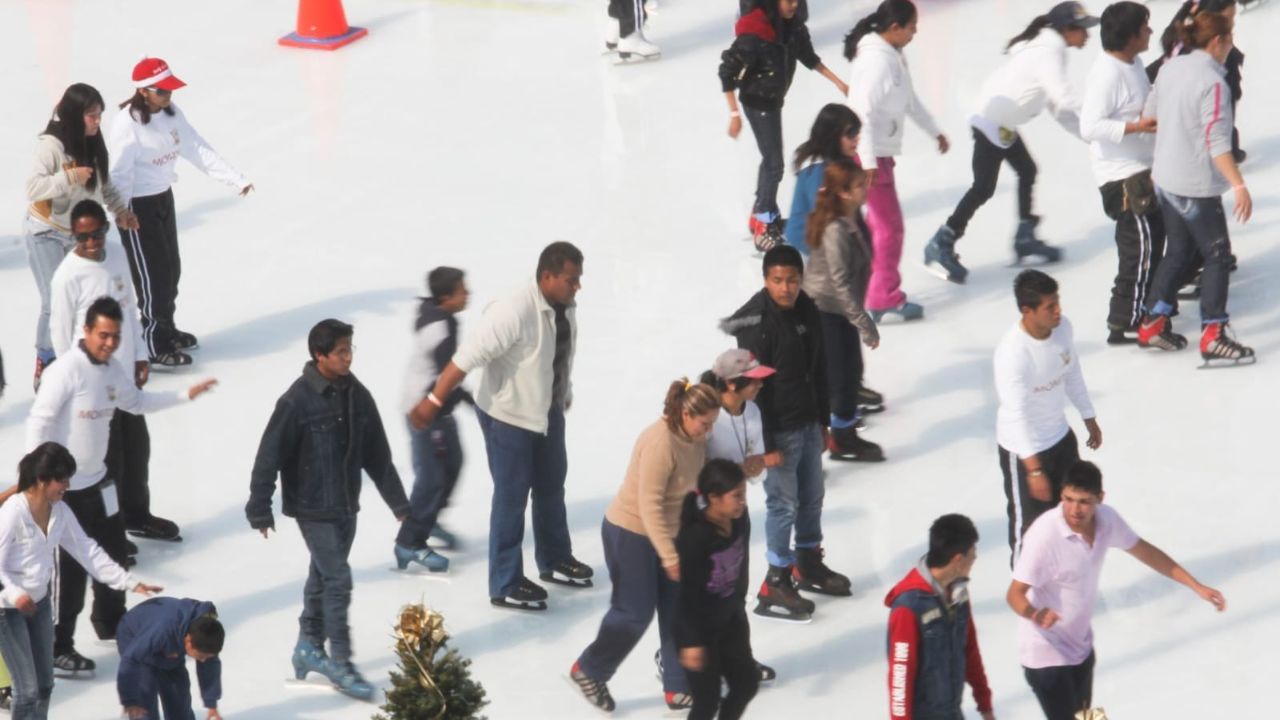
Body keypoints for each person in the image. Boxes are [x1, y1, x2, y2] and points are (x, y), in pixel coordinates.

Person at [25, 296, 214, 678]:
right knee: (70, 574)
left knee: (113, 556)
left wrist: (183, 395)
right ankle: (58, 646)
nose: (110, 343)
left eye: (115, 336)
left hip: (101, 484)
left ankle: (111, 623)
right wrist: (37, 480)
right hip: (66, 492)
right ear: (87, 331)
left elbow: (136, 402)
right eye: (103, 336)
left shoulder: (111, 370)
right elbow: (39, 424)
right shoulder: (65, 372)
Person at [411, 242, 593, 611]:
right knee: (512, 496)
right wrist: (432, 401)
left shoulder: (565, 307)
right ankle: (505, 581)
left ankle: (555, 559)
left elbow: (560, 356)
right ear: (547, 276)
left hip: (545, 410)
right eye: (571, 280)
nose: (577, 287)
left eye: (578, 280)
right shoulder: (512, 311)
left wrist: (564, 392)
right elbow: (465, 359)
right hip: (506, 416)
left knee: (551, 486)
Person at [246, 318, 409, 701]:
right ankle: (341, 662)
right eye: (341, 352)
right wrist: (259, 507)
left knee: (322, 576)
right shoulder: (296, 401)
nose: (348, 357)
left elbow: (378, 455)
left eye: (350, 349)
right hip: (312, 507)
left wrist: (400, 505)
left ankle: (308, 646)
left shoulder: (357, 394)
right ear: (319, 356)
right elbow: (269, 455)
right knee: (338, 580)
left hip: (346, 505)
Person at [1007, 461, 1226, 719]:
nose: (1075, 509)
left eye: (1084, 501)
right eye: (1069, 499)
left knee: (1085, 717)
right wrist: (1035, 614)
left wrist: (1196, 586)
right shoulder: (1044, 535)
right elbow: (1014, 594)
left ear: (1100, 498)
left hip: (1080, 649)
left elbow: (1145, 551)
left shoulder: (1107, 520)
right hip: (1045, 655)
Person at [570, 381, 721, 712]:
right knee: (634, 611)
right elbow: (649, 505)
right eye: (705, 423)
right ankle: (589, 669)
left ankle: (679, 686)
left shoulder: (694, 439)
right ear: (685, 413)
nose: (708, 431)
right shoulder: (660, 443)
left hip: (669, 532)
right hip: (631, 532)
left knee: (678, 608)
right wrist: (669, 555)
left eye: (712, 424)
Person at [923, 2, 1098, 283]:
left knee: (1027, 170)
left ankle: (1025, 235)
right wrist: (1102, 123)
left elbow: (1059, 109)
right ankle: (941, 241)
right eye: (1083, 29)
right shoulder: (1048, 51)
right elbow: (1065, 98)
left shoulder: (1047, 47)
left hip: (1000, 120)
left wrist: (1091, 137)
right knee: (983, 188)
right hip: (990, 120)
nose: (1087, 35)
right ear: (1067, 29)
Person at [722, 245, 849, 622]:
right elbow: (752, 391)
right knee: (783, 504)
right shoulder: (757, 324)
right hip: (779, 430)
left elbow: (820, 367)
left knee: (812, 496)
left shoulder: (807, 308)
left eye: (792, 279)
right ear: (765, 280)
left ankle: (808, 562)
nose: (786, 287)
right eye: (777, 280)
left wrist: (824, 421)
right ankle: (776, 579)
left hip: (808, 422)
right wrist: (768, 444)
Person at [108, 57, 253, 369]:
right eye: (163, 91)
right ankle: (152, 343)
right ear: (145, 91)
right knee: (153, 278)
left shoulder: (171, 114)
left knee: (171, 271)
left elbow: (196, 147)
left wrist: (234, 178)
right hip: (136, 206)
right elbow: (118, 173)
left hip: (162, 198)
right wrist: (121, 211)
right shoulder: (127, 123)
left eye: (171, 90)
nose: (169, 97)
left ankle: (167, 329)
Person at [48, 199, 176, 550]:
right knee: (107, 466)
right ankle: (110, 533)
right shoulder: (67, 278)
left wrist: (140, 355)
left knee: (137, 452)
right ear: (73, 236)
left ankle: (137, 515)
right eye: (83, 236)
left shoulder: (117, 254)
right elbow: (61, 338)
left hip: (124, 381)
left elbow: (129, 309)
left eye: (97, 233)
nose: (91, 242)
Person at [0, 443, 160, 720]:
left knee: (44, 685)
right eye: (62, 480)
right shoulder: (13, 512)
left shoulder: (59, 511)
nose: (67, 485)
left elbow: (87, 550)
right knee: (26, 691)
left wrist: (129, 582)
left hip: (38, 604)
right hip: (7, 609)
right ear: (41, 479)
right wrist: (15, 594)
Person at [1136, 11, 1254, 365]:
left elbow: (1149, 115)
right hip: (1194, 185)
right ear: (1217, 42)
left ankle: (1151, 322)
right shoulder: (1214, 84)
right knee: (1216, 254)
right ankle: (1213, 334)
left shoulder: (1171, 67)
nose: (1230, 45)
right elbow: (1218, 143)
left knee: (1179, 251)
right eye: (1229, 38)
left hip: (1166, 179)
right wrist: (1239, 184)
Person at [24, 82, 137, 388]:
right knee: (53, 299)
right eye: (91, 115)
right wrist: (69, 177)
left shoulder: (93, 143)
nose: (97, 121)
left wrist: (121, 212)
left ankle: (83, 357)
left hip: (80, 235)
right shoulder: (51, 146)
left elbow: (106, 185)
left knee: (86, 297)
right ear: (74, 115)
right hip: (46, 232)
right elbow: (33, 189)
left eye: (99, 114)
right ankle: (46, 358)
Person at [844, 0, 948, 322]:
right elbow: (861, 111)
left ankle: (870, 289)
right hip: (871, 159)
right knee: (890, 229)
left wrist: (935, 132)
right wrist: (869, 161)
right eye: (912, 27)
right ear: (894, 28)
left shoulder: (892, 58)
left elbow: (910, 101)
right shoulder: (878, 62)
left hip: (878, 155)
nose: (915, 33)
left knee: (878, 227)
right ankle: (883, 295)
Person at [719, 0, 849, 251]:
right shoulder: (756, 31)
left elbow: (809, 57)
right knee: (774, 163)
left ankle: (762, 213)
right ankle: (763, 222)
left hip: (773, 100)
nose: (794, 5)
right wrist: (734, 114)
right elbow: (727, 72)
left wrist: (839, 82)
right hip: (758, 102)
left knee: (771, 160)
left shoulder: (793, 27)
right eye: (788, 1)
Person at [994, 271, 1100, 565]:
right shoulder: (1013, 354)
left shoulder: (1063, 328)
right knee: (1030, 529)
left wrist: (1088, 416)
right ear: (1027, 311)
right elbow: (1016, 415)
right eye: (1049, 307)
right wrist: (1034, 470)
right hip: (1024, 450)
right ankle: (1024, 594)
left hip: (1061, 440)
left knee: (1068, 517)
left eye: (1057, 303)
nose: (1058, 312)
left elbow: (1072, 373)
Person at [1079, 2, 1165, 346]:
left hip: (1143, 170)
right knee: (1140, 248)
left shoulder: (1134, 63)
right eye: (1145, 27)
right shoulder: (1108, 73)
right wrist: (1135, 127)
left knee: (1153, 241)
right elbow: (1090, 126)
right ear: (1130, 36)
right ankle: (1125, 321)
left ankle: (1145, 308)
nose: (1150, 32)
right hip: (1122, 179)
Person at [801, 159, 885, 463]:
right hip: (826, 310)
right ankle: (835, 438)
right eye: (860, 185)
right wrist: (864, 323)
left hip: (840, 310)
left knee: (848, 374)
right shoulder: (835, 229)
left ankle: (843, 434)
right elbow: (838, 283)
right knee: (839, 376)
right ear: (845, 193)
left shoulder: (850, 217)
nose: (866, 188)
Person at [395, 267, 470, 574]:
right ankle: (409, 542)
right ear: (445, 297)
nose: (468, 294)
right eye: (462, 290)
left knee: (454, 462)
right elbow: (445, 378)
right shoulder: (441, 330)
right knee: (431, 477)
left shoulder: (440, 318)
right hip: (423, 410)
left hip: (436, 407)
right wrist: (468, 399)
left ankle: (430, 518)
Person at [885, 514, 995, 720]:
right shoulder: (909, 607)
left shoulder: (958, 594)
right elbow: (900, 677)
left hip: (952, 712)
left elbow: (970, 650)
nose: (975, 559)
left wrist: (985, 705)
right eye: (973, 555)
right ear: (958, 560)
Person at [675, 459, 759, 720]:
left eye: (743, 494)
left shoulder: (739, 520)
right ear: (713, 497)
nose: (742, 501)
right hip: (699, 630)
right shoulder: (695, 538)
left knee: (746, 682)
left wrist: (738, 605)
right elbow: (686, 597)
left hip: (731, 619)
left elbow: (741, 563)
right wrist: (691, 643)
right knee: (707, 702)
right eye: (736, 496)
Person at [1148, 0, 1244, 164]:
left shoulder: (1180, 42)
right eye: (1229, 19)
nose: (1233, 25)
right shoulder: (1223, 60)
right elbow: (1227, 106)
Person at [116, 597, 224, 720]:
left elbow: (210, 666)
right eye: (200, 656)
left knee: (177, 692)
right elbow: (131, 660)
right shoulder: (161, 631)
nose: (203, 660)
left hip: (170, 645)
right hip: (134, 635)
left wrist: (211, 704)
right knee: (144, 693)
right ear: (188, 641)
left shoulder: (207, 633)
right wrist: (131, 700)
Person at [783, 103, 862, 257]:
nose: (857, 139)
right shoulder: (818, 171)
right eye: (851, 133)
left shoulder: (842, 162)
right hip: (808, 249)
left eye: (857, 132)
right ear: (833, 135)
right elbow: (824, 218)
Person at [700, 349, 778, 481]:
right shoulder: (707, 415)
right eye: (754, 380)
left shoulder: (753, 411)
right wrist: (735, 469)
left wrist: (759, 464)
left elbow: (757, 470)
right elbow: (692, 462)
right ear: (731, 383)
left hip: (736, 495)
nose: (761, 385)